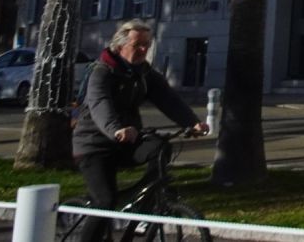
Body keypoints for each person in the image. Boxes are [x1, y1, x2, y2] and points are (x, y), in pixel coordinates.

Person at [73, 20, 207, 242]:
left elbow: (169, 100)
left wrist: (192, 123)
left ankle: (146, 201)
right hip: (93, 146)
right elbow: (99, 104)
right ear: (119, 47)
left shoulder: (144, 74)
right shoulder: (101, 72)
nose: (144, 50)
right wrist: (116, 129)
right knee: (105, 201)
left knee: (160, 147)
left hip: (126, 141)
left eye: (147, 44)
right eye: (138, 45)